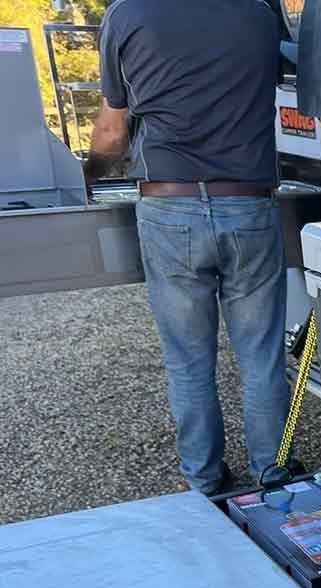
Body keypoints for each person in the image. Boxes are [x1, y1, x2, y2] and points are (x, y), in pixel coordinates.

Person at [85, 0, 290, 495]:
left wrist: (90, 174)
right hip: (249, 203)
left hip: (169, 205)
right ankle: (272, 474)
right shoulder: (258, 13)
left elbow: (112, 131)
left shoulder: (128, 14)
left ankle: (205, 482)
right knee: (261, 355)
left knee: (188, 360)